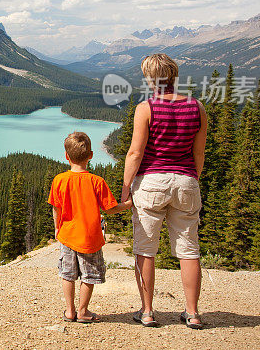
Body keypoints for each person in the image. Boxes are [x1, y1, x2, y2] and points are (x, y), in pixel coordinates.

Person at [120, 53, 207, 329]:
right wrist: (191, 179)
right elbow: (199, 153)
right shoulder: (198, 107)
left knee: (145, 249)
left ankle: (147, 312)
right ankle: (192, 313)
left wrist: (125, 190)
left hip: (151, 183)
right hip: (186, 182)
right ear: (174, 75)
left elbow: (135, 153)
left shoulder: (146, 108)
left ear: (150, 78)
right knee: (188, 249)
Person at [49, 131, 133, 323]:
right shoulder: (97, 182)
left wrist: (57, 229)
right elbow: (110, 209)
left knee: (68, 274)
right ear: (91, 156)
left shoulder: (59, 180)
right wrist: (127, 205)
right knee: (88, 275)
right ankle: (83, 311)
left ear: (66, 156)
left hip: (68, 236)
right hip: (90, 238)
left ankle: (69, 311)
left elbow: (56, 208)